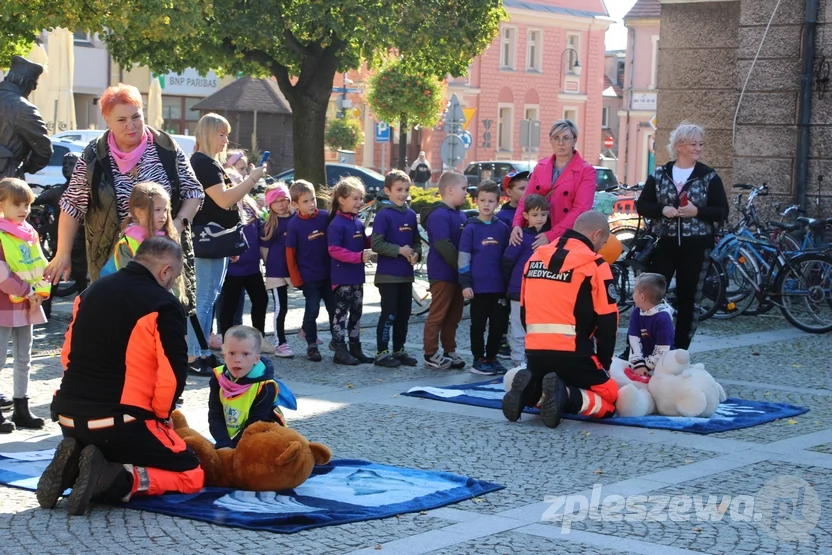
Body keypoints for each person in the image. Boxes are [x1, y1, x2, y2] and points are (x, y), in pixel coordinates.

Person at [37, 237, 204, 515]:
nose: (173, 283)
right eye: (174, 277)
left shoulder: (90, 292)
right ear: (165, 271)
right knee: (191, 472)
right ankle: (115, 479)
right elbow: (172, 375)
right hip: (121, 423)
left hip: (67, 417)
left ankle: (77, 468)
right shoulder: (163, 303)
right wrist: (161, 417)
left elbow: (67, 356)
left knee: (108, 446)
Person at [47, 84, 203, 300]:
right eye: (121, 120)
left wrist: (177, 224)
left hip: (163, 255)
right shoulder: (94, 154)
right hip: (113, 257)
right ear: (107, 121)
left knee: (162, 320)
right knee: (118, 320)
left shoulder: (165, 146)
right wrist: (62, 253)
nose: (131, 125)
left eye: (136, 117)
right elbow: (72, 205)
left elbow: (193, 191)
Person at [502, 211, 619, 429]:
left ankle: (531, 393)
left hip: (535, 352)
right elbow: (608, 321)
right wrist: (604, 364)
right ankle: (566, 395)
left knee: (549, 383)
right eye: (602, 242)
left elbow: (524, 311)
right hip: (575, 354)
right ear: (597, 234)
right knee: (610, 400)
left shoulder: (534, 257)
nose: (601, 247)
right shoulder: (595, 264)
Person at [187, 113, 268, 375]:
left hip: (217, 242)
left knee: (208, 300)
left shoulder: (211, 163)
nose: (226, 140)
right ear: (209, 134)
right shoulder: (202, 163)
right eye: (221, 134)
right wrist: (252, 178)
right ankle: (192, 355)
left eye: (227, 134)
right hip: (207, 242)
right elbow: (223, 200)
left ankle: (199, 352)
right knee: (203, 300)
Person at [636, 122, 728, 350]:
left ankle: (679, 349)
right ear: (679, 146)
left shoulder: (708, 176)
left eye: (700, 144)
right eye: (693, 144)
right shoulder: (659, 174)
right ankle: (644, 345)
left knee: (689, 298)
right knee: (652, 295)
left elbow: (722, 210)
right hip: (663, 243)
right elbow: (643, 205)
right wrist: (661, 209)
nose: (698, 148)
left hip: (696, 246)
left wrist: (698, 211)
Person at [0, 178, 50, 432]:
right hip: (4, 304)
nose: (24, 209)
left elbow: (39, 263)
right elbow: (1, 273)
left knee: (24, 357)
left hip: (27, 303)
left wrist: (41, 291)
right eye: (17, 204)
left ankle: (22, 407)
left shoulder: (29, 232)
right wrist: (27, 291)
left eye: (27, 204)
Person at [509, 120, 595, 248]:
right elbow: (526, 199)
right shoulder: (541, 166)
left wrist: (551, 235)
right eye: (556, 138)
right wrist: (517, 224)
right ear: (550, 140)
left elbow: (580, 210)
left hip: (566, 236)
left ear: (574, 140)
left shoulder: (586, 171)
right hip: (537, 231)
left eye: (566, 138)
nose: (560, 143)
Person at [371, 170, 421, 368]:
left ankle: (399, 350)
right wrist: (399, 250)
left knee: (404, 314)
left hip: (406, 276)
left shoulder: (410, 214)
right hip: (387, 276)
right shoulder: (383, 215)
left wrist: (416, 253)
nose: (403, 194)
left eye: (406, 190)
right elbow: (376, 243)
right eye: (399, 190)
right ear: (387, 191)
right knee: (389, 314)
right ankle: (381, 352)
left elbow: (416, 241)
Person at [459, 180, 510, 375]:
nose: (486, 204)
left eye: (490, 201)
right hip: (478, 288)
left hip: (498, 287)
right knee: (478, 325)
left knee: (498, 326)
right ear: (476, 201)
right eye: (482, 200)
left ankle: (492, 357)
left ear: (498, 202)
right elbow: (464, 257)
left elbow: (507, 257)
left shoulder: (503, 228)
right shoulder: (470, 228)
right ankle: (478, 359)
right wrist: (465, 283)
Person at [421, 171, 469, 370]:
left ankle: (450, 350)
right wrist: (462, 266)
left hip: (458, 275)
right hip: (442, 274)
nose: (467, 193)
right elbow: (443, 245)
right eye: (464, 188)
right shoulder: (439, 215)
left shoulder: (461, 215)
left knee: (454, 316)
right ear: (449, 190)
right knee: (438, 314)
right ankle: (430, 353)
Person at [208, 325, 285, 449]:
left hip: (261, 437)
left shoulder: (265, 386)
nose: (237, 359)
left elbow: (256, 423)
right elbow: (215, 414)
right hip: (231, 437)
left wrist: (233, 447)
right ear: (224, 354)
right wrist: (223, 442)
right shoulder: (217, 377)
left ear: (256, 359)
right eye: (231, 353)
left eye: (245, 354)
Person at [33, 152, 88, 320]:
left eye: (71, 164)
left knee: (82, 283)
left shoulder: (87, 192)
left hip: (81, 247)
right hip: (59, 246)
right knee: (52, 280)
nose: (67, 167)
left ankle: (84, 314)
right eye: (65, 164)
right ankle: (44, 311)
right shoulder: (55, 192)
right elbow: (32, 200)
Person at [326, 177, 374, 365]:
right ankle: (340, 349)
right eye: (355, 198)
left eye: (361, 198)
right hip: (342, 278)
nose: (359, 202)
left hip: (357, 277)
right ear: (342, 200)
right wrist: (358, 257)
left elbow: (364, 243)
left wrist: (374, 239)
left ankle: (355, 347)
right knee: (341, 315)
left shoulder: (358, 223)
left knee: (356, 313)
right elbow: (334, 250)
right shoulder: (336, 224)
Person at [286, 180, 334, 362]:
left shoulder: (324, 217)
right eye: (305, 201)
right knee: (312, 310)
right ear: (295, 204)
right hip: (309, 277)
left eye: (312, 199)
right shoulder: (294, 225)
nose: (311, 204)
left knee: (334, 308)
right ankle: (311, 344)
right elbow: (290, 254)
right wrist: (296, 279)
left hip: (329, 275)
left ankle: (337, 341)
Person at [501, 194, 549, 369]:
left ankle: (532, 359)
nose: (540, 219)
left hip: (539, 292)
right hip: (518, 290)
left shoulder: (548, 238)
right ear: (526, 216)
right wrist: (508, 286)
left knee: (535, 327)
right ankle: (518, 360)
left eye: (543, 214)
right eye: (535, 215)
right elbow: (507, 261)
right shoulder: (521, 236)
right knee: (517, 326)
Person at [218, 195, 270, 352]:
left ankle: (259, 338)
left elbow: (260, 229)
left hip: (253, 267)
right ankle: (226, 342)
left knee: (261, 300)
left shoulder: (250, 204)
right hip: (233, 269)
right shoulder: (224, 205)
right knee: (229, 306)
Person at [100, 182, 178, 276]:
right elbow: (128, 278)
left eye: (165, 210)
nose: (163, 215)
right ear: (139, 213)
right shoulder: (128, 243)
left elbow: (174, 278)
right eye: (157, 210)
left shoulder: (167, 238)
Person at [495, 170, 529, 359]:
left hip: (524, 270)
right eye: (521, 188)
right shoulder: (504, 217)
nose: (526, 191)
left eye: (528, 187)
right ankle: (502, 341)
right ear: (508, 192)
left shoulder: (530, 212)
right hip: (508, 269)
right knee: (504, 309)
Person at [0, 56, 52, 179]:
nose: (32, 90)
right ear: (27, 83)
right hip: (5, 179)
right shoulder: (24, 108)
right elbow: (44, 151)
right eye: (34, 86)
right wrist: (25, 167)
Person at [260, 183, 294, 357]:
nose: (281, 204)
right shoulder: (269, 224)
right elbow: (264, 249)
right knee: (281, 307)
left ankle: (308, 334)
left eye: (284, 200)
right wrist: (269, 266)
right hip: (276, 270)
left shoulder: (296, 218)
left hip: (295, 269)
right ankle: (281, 342)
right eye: (276, 201)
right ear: (270, 204)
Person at [628, 273, 675, 377]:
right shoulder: (637, 312)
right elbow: (633, 338)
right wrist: (638, 362)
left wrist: (647, 366)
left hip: (664, 364)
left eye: (634, 291)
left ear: (641, 297)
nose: (632, 295)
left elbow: (663, 348)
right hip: (642, 362)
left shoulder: (662, 319)